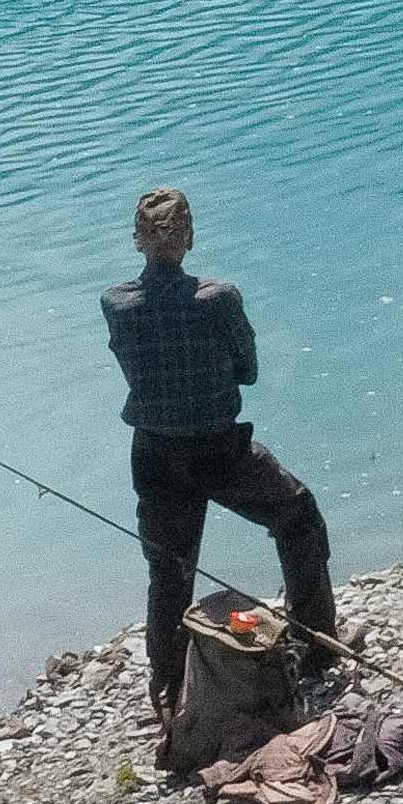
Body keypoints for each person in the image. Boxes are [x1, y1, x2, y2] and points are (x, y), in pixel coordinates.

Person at [99, 187, 338, 730]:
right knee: (297, 515)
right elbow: (247, 371)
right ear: (188, 237)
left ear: (137, 240)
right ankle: (318, 644)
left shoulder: (116, 303)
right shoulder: (218, 297)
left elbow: (134, 369)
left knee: (168, 568)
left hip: (155, 454)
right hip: (220, 449)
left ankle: (167, 687)